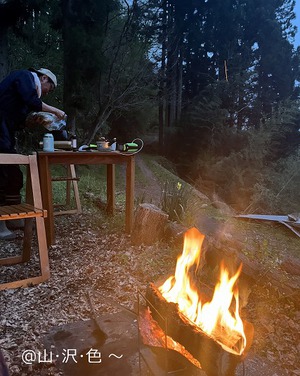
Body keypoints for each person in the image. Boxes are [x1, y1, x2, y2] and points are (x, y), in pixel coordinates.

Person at [0, 68, 66, 239]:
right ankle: (0, 224)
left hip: (6, 132)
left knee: (14, 173)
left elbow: (20, 119)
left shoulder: (25, 94)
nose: (46, 93)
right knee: (2, 173)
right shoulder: (25, 76)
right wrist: (55, 111)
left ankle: (13, 218)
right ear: (43, 78)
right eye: (48, 89)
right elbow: (32, 100)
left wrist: (33, 120)